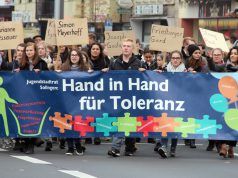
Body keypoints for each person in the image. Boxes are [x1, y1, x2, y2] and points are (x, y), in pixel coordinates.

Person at [107, 38, 145, 157]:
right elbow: (109, 79)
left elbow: (146, 79)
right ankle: (115, 148)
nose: (126, 48)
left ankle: (129, 147)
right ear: (121, 47)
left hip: (133, 98)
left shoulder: (138, 63)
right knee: (120, 121)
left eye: (128, 46)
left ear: (132, 48)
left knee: (130, 121)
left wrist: (145, 72)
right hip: (118, 97)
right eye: (124, 46)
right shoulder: (114, 63)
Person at [154, 50, 186, 158]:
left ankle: (173, 148)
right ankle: (163, 146)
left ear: (181, 59)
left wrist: (192, 75)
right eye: (173, 58)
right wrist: (157, 74)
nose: (175, 60)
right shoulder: (164, 69)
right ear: (170, 59)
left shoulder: (186, 71)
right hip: (166, 100)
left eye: (177, 58)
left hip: (179, 101)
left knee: (175, 124)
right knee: (165, 123)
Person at [61, 49, 90, 155]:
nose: (74, 57)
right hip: (67, 98)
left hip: (79, 99)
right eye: (72, 55)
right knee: (68, 122)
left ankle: (78, 144)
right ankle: (70, 147)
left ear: (79, 57)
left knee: (77, 122)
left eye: (76, 55)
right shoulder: (64, 68)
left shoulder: (85, 69)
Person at [218, 46, 238, 158]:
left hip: (237, 99)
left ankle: (230, 146)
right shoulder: (224, 68)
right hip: (226, 98)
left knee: (234, 122)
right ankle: (224, 145)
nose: (233, 55)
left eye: (235, 53)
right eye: (231, 53)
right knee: (225, 120)